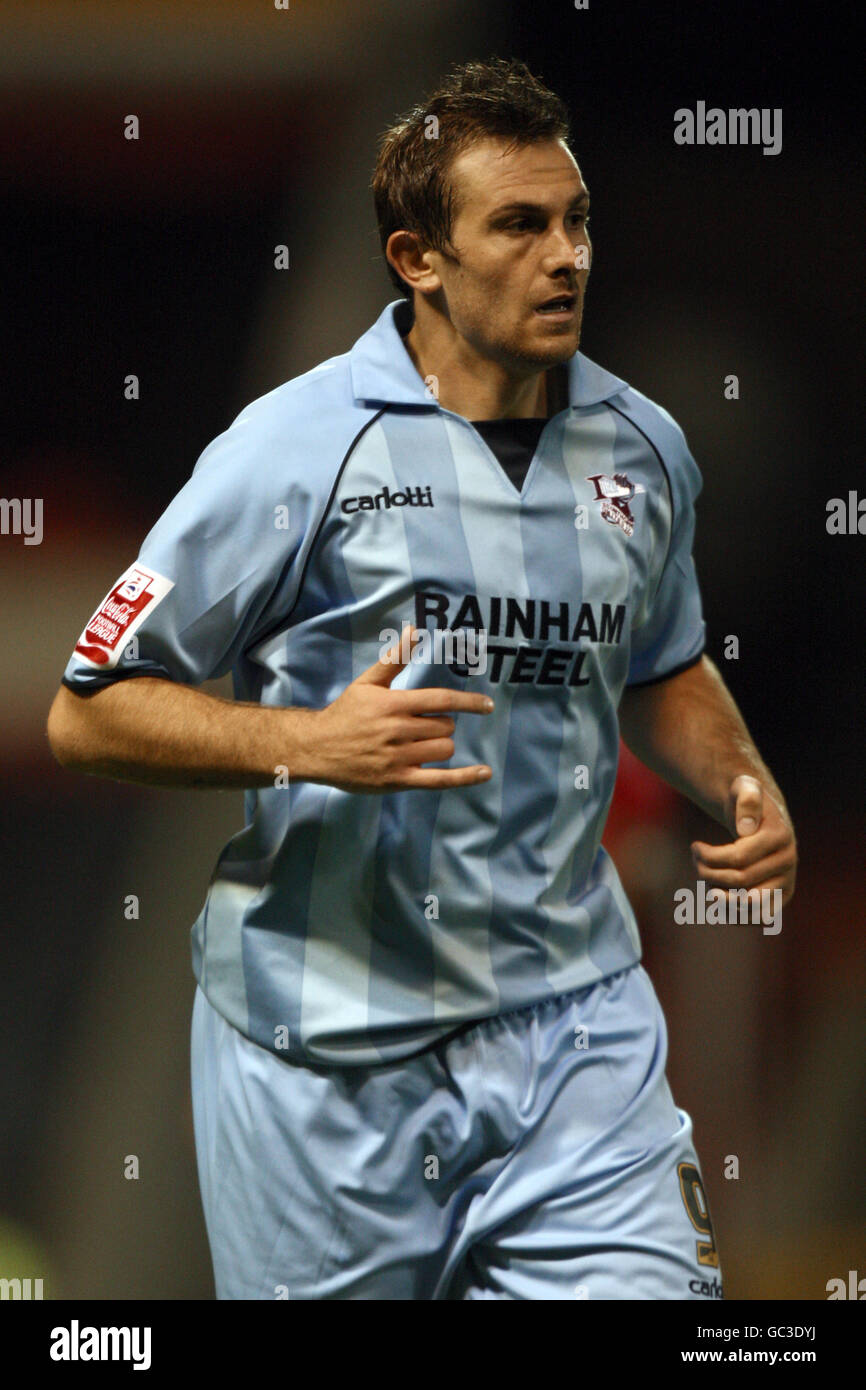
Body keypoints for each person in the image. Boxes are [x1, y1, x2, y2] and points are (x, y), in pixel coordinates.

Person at [47, 57, 797, 1300]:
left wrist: (740, 783)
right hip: (324, 1054)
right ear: (417, 259)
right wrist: (305, 741)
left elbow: (657, 661)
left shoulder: (646, 448)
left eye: (575, 220)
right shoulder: (288, 447)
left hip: (576, 1037)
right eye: (518, 224)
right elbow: (89, 710)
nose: (565, 256)